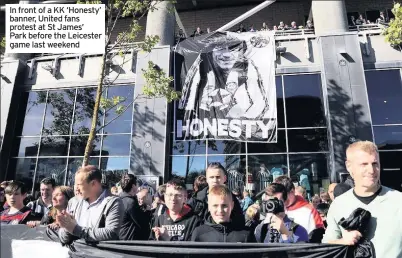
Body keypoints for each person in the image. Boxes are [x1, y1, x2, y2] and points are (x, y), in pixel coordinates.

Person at [322, 141, 402, 258]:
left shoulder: (398, 201)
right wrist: (343, 241)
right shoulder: (339, 204)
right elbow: (326, 246)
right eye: (364, 164)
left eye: (375, 164)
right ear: (349, 167)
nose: (371, 170)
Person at [57, 165, 124, 244]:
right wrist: (67, 228)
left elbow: (111, 233)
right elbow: (62, 236)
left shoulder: (113, 203)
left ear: (93, 183)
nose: (76, 189)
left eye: (79, 185)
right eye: (75, 184)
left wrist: (76, 229)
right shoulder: (74, 202)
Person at [191, 185, 256, 242]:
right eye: (215, 206)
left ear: (232, 205)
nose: (220, 210)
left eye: (224, 206)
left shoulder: (246, 234)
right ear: (209, 207)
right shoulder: (199, 234)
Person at [119, 173, 151, 240]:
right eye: (137, 185)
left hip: (122, 239)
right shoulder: (130, 202)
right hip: (129, 241)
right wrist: (148, 210)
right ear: (133, 186)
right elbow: (142, 222)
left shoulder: (119, 199)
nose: (138, 187)